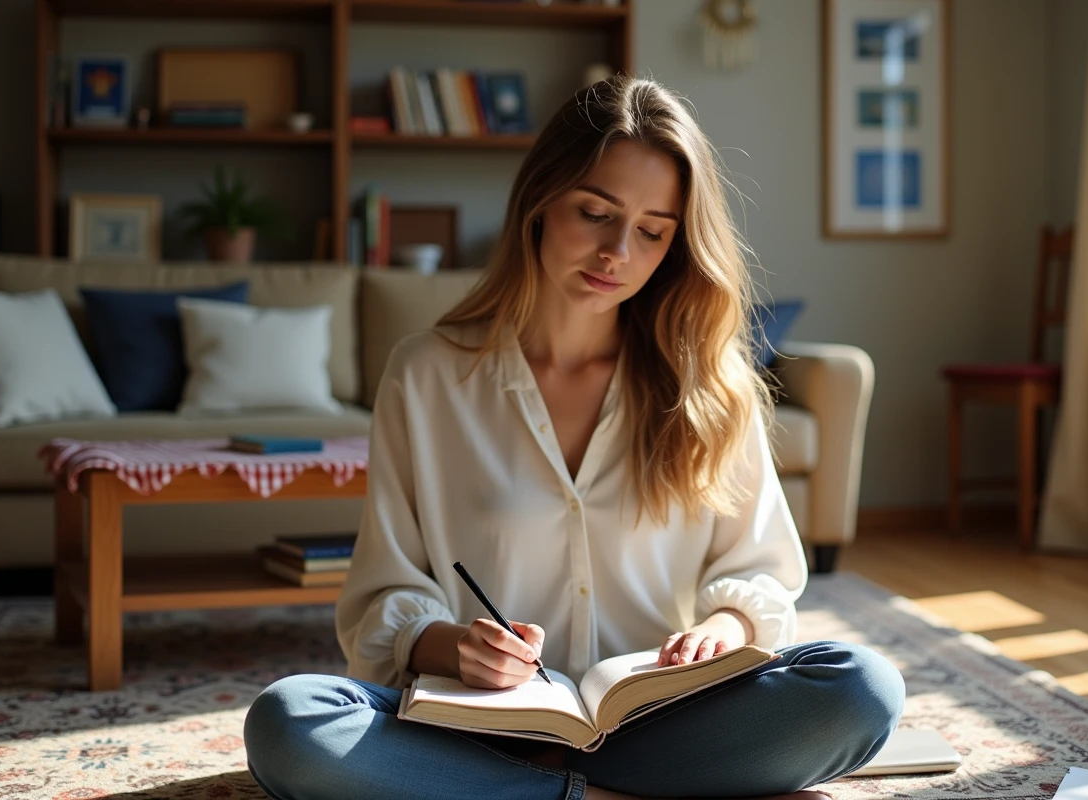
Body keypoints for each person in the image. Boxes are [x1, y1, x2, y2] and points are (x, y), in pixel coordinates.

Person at [243, 75, 904, 800]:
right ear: (541, 202)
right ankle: (583, 792)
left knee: (861, 687)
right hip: (479, 721)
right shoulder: (427, 375)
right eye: (596, 212)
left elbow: (763, 575)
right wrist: (457, 648)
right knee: (291, 720)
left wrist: (722, 626)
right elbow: (384, 592)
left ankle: (520, 793)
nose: (617, 250)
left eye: (653, 231)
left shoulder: (711, 385)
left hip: (665, 717)